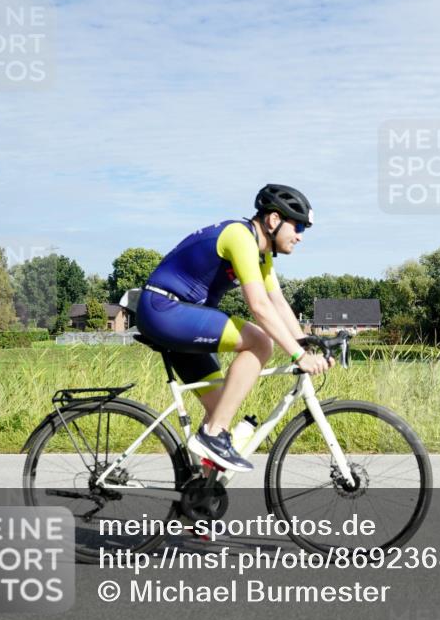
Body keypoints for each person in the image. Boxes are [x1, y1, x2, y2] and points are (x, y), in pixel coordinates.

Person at [135, 184, 333, 471]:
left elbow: (276, 301)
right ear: (274, 220)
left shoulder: (261, 254)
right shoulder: (240, 237)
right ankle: (213, 435)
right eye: (298, 226)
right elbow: (259, 306)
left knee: (220, 408)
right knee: (260, 342)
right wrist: (298, 357)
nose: (300, 236)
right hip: (164, 309)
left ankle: (198, 497)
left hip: (180, 316)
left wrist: (305, 343)